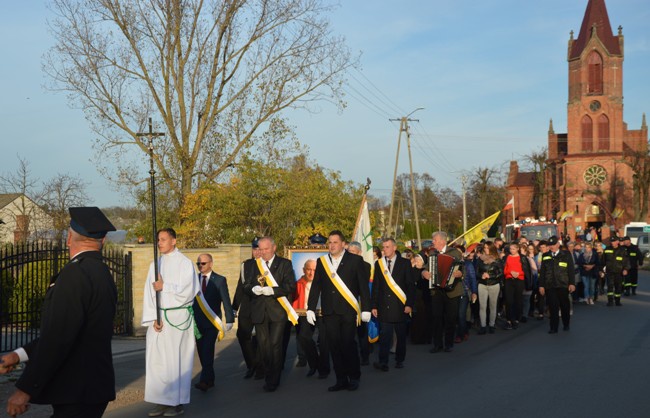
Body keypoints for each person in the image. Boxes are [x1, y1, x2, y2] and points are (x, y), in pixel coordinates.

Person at [0, 207, 117, 418]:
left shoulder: (75, 273)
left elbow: (58, 337)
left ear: (69, 237)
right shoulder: (102, 273)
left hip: (76, 390)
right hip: (91, 388)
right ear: (104, 240)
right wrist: (17, 355)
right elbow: (71, 331)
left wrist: (24, 390)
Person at [306, 230, 371, 392]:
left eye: (335, 242)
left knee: (348, 344)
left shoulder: (355, 261)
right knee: (334, 346)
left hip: (348, 310)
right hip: (330, 311)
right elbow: (316, 286)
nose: (332, 245)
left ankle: (354, 376)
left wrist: (366, 309)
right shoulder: (322, 262)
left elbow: (363, 286)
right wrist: (310, 309)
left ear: (343, 244)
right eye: (330, 242)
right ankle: (341, 379)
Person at [143, 228, 198, 417]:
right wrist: (153, 318)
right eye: (158, 239)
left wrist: (165, 286)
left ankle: (176, 402)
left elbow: (188, 290)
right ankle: (161, 400)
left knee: (176, 361)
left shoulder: (185, 263)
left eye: (163, 239)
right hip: (160, 320)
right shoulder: (155, 264)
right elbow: (149, 293)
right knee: (158, 362)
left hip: (177, 318)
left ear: (174, 241)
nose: (160, 243)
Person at [243, 236, 297, 392]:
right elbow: (246, 285)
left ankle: (273, 379)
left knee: (275, 345)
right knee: (264, 346)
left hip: (277, 311)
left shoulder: (284, 264)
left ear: (274, 248)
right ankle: (269, 373)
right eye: (260, 249)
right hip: (259, 311)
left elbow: (290, 286)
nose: (263, 252)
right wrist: (252, 289)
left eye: (266, 249)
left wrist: (272, 290)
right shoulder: (253, 265)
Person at [371, 238, 415, 371]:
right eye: (383, 247)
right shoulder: (379, 264)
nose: (385, 249)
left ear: (394, 248)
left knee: (401, 336)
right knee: (385, 336)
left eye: (387, 247)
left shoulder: (405, 263)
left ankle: (399, 360)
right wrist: (374, 305)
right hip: (384, 306)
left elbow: (410, 286)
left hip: (400, 306)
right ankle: (383, 362)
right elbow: (376, 286)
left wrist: (409, 304)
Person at [193, 253, 235, 391]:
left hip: (212, 322)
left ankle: (204, 380)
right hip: (197, 323)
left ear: (210, 263)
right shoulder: (193, 280)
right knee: (201, 351)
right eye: (198, 263)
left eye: (203, 263)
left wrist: (229, 319)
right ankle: (210, 379)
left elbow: (226, 300)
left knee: (207, 349)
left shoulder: (219, 280)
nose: (200, 266)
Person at [420, 231, 464, 352]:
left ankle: (449, 343)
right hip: (437, 290)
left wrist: (459, 273)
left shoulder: (454, 252)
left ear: (442, 241)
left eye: (434, 240)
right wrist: (424, 273)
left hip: (452, 290)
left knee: (451, 318)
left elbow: (462, 269)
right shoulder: (433, 253)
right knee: (437, 318)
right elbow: (426, 267)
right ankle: (437, 344)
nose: (432, 242)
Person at [293, 259, 330, 378]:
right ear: (304, 270)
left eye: (314, 270)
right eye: (309, 269)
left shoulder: (326, 282)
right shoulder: (298, 284)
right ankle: (314, 364)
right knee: (304, 337)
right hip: (305, 313)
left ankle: (324, 369)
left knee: (324, 341)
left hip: (323, 312)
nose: (311, 273)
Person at [232, 237, 263, 379]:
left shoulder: (268, 265)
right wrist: (234, 307)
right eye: (255, 249)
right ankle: (252, 365)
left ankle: (260, 367)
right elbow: (240, 286)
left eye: (259, 249)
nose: (257, 252)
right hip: (246, 306)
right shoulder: (246, 265)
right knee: (242, 335)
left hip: (262, 306)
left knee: (260, 338)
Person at [538, 236, 576, 334]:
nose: (551, 247)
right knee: (553, 307)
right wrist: (541, 285)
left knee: (564, 306)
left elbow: (571, 270)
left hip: (563, 284)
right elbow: (542, 272)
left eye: (553, 245)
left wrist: (572, 283)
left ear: (558, 244)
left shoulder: (566, 254)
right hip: (550, 285)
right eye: (550, 245)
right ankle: (553, 327)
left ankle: (566, 324)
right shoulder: (545, 255)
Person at [346, 241, 372, 366]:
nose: (350, 254)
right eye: (349, 252)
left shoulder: (365, 266)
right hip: (346, 302)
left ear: (360, 252)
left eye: (353, 252)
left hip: (359, 301)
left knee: (362, 331)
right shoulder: (343, 264)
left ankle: (365, 355)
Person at [476, 242, 503, 334]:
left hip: (494, 285)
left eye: (488, 248)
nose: (486, 249)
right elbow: (477, 271)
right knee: (482, 306)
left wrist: (490, 276)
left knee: (492, 306)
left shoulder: (497, 259)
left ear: (492, 248)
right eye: (485, 248)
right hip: (482, 284)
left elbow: (500, 273)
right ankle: (483, 326)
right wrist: (481, 275)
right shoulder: (480, 259)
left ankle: (492, 325)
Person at [503, 242, 531, 330]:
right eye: (510, 249)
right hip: (509, 280)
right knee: (508, 300)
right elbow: (504, 270)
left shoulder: (523, 258)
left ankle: (516, 319)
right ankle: (509, 320)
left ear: (518, 249)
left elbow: (526, 271)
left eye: (513, 249)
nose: (512, 251)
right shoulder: (506, 257)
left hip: (519, 280)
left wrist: (518, 273)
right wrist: (510, 272)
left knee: (518, 300)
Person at [601, 236, 630, 306]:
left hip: (619, 272)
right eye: (611, 241)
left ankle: (617, 301)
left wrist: (626, 269)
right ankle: (610, 301)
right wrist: (601, 270)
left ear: (617, 242)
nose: (612, 243)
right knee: (610, 286)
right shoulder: (607, 249)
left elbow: (626, 261)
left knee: (618, 287)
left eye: (613, 241)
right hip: (609, 271)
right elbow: (602, 261)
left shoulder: (622, 250)